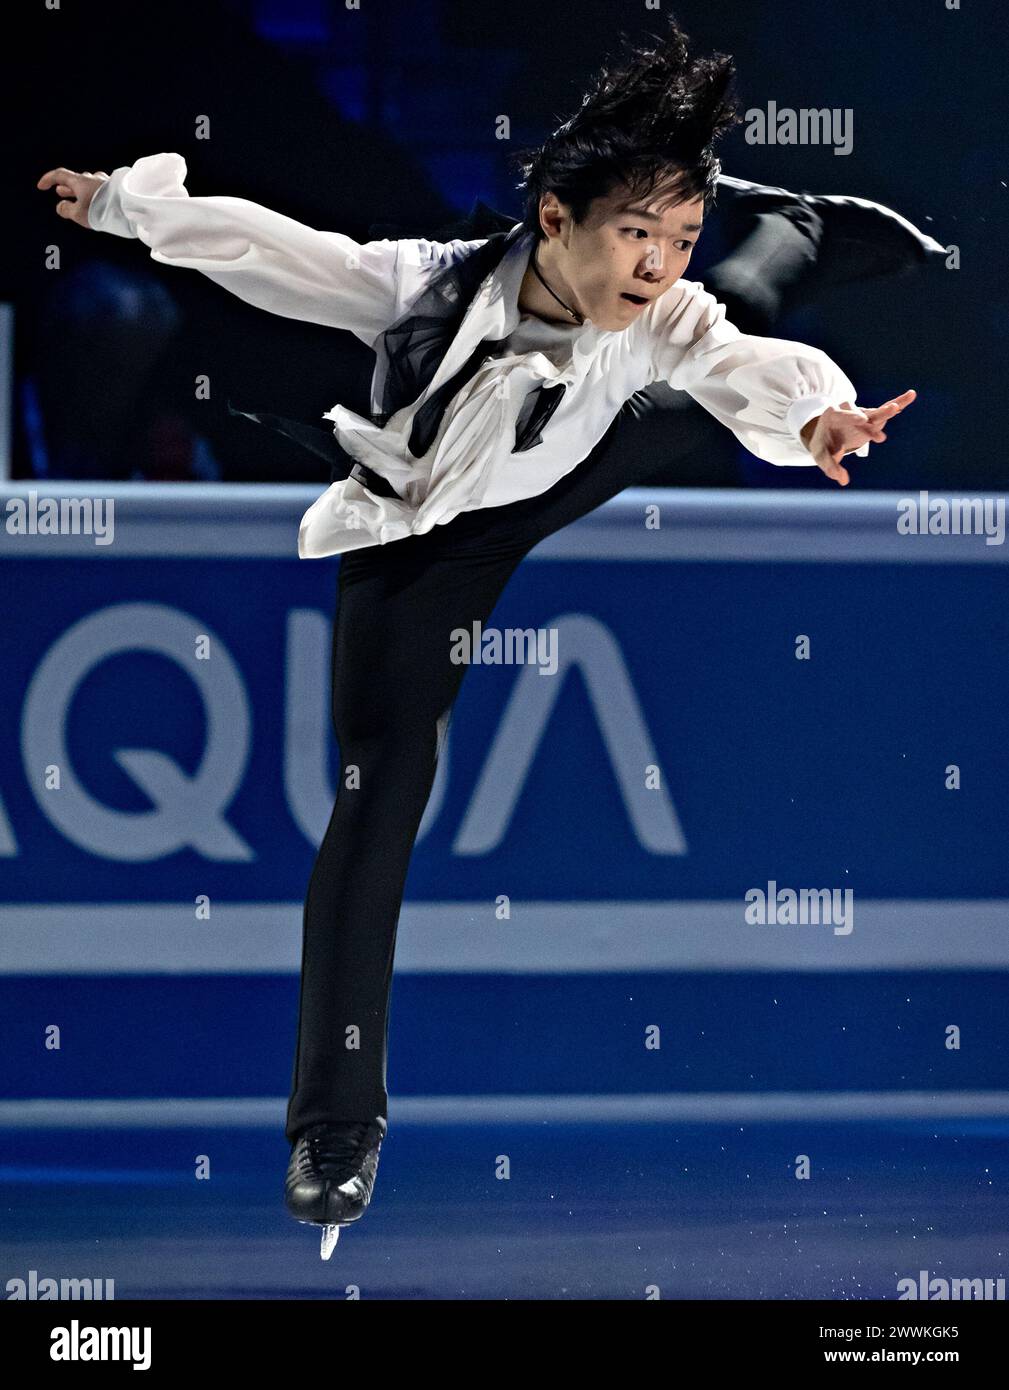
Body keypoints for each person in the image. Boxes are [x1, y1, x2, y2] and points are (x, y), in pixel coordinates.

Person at [39, 13, 940, 1255]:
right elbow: (274, 251)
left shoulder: (660, 316)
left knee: (720, 331)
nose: (660, 263)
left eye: (679, 234)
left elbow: (738, 362)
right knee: (376, 804)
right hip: (424, 544)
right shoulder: (423, 284)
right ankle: (335, 1130)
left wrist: (823, 419)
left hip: (575, 461)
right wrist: (124, 210)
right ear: (557, 218)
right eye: (640, 233)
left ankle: (800, 231)